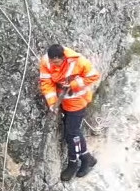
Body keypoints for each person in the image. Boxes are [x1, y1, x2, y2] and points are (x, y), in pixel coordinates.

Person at [39, 44, 101, 181]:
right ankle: (87, 158)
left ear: (63, 58)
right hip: (63, 102)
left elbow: (94, 76)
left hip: (77, 101)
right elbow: (46, 82)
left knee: (72, 133)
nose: (53, 64)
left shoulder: (79, 62)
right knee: (73, 132)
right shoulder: (46, 63)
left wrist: (73, 84)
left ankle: (74, 162)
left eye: (56, 62)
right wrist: (52, 103)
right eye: (51, 61)